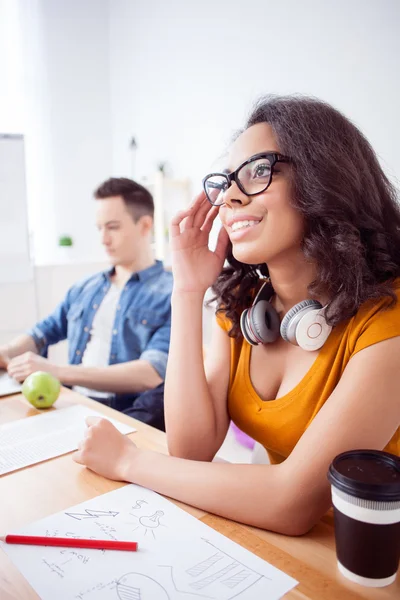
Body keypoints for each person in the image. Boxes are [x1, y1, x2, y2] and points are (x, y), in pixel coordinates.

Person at [73, 96, 400, 535]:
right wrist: (188, 289)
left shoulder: (388, 318)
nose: (229, 196)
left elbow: (291, 502)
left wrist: (128, 459)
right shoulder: (248, 305)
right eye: (226, 181)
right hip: (285, 548)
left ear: (326, 176)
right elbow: (191, 449)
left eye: (259, 171)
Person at [0, 178, 172, 430]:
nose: (103, 239)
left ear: (145, 226)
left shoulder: (172, 293)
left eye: (112, 227)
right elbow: (41, 333)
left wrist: (57, 371)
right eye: (99, 228)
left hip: (127, 416)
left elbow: (151, 373)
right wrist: (8, 351)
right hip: (70, 406)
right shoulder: (86, 287)